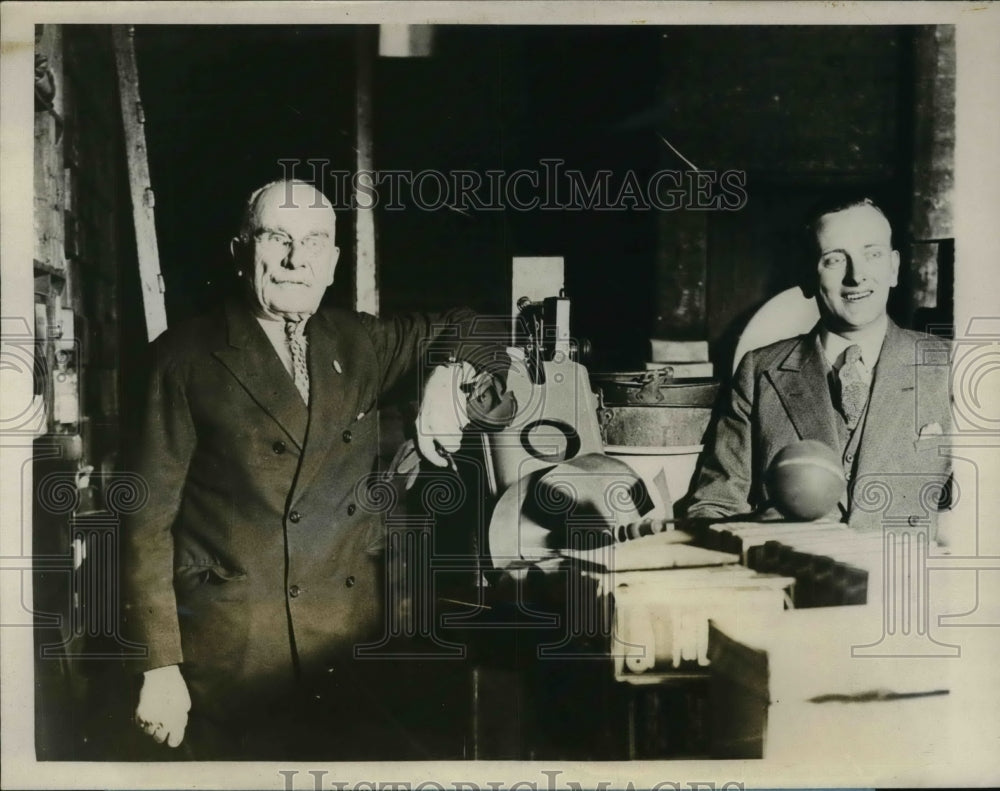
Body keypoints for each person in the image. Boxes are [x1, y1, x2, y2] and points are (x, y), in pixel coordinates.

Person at [122, 179, 507, 758]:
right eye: (277, 238)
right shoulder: (182, 357)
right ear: (240, 251)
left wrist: (449, 375)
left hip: (348, 644)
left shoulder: (360, 342)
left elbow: (479, 325)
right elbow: (144, 523)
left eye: (314, 242)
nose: (295, 260)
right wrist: (158, 667)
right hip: (235, 655)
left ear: (333, 261)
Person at [685, 196, 952, 533]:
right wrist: (757, 530)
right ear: (808, 276)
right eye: (834, 259)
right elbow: (713, 508)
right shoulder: (759, 372)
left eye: (872, 254)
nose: (857, 276)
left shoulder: (952, 367)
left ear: (894, 268)